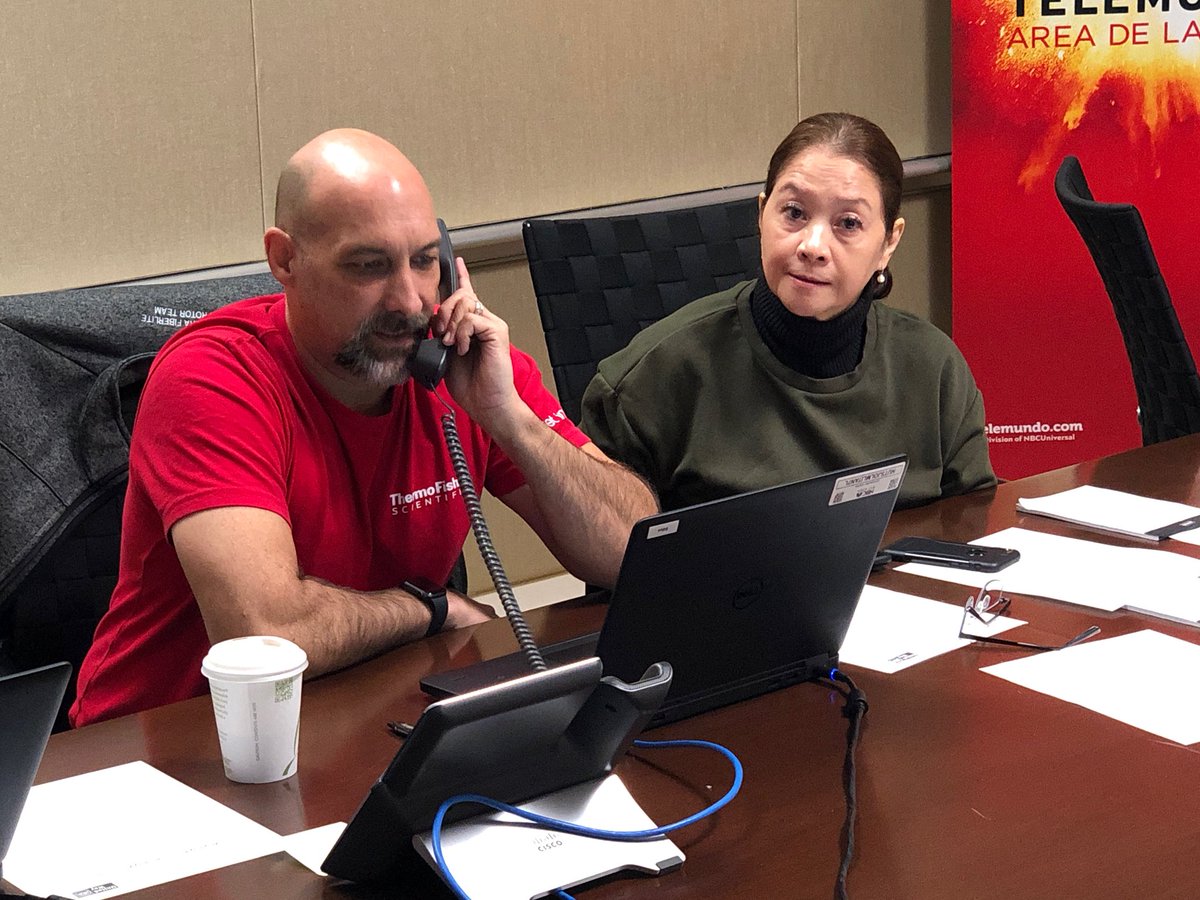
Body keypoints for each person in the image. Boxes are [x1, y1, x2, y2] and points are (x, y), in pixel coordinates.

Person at [71, 129, 657, 727]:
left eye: (425, 261)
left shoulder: (463, 368)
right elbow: (266, 635)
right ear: (285, 259)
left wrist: (512, 422)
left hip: (365, 715)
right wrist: (429, 609)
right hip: (167, 747)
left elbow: (636, 552)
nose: (409, 301)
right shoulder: (213, 378)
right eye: (369, 266)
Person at [580, 112, 996, 511]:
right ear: (762, 215)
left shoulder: (934, 369)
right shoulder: (653, 377)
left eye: (848, 223)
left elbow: (977, 529)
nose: (812, 246)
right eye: (794, 213)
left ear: (889, 242)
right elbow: (605, 552)